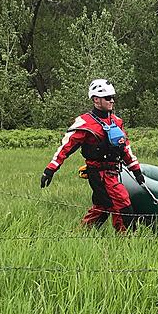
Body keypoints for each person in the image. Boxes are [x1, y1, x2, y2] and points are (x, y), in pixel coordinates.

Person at [40, 79, 146, 233]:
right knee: (122, 203)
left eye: (113, 97)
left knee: (103, 207)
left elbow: (125, 149)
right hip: (98, 174)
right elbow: (65, 148)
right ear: (96, 99)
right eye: (108, 98)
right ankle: (127, 239)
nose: (112, 101)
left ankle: (81, 234)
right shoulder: (84, 124)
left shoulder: (116, 122)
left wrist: (136, 171)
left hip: (114, 172)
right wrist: (50, 170)